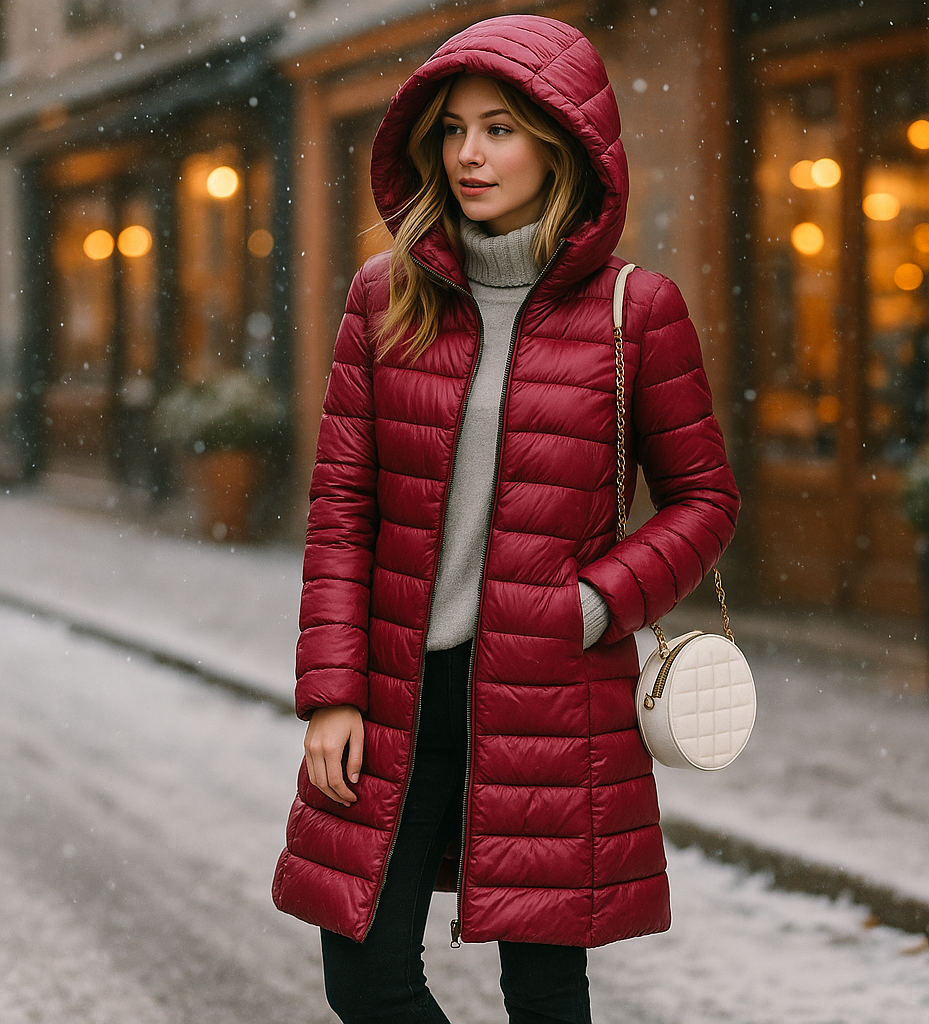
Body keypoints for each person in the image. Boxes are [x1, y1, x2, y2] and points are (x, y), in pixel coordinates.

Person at [273, 14, 740, 1023]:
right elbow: (342, 511)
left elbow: (706, 499)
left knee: (542, 992)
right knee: (367, 973)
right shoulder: (383, 298)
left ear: (562, 142)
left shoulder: (635, 310)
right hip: (399, 690)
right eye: (451, 130)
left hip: (550, 693)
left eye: (498, 129)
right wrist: (330, 692)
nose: (468, 154)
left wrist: (592, 603)